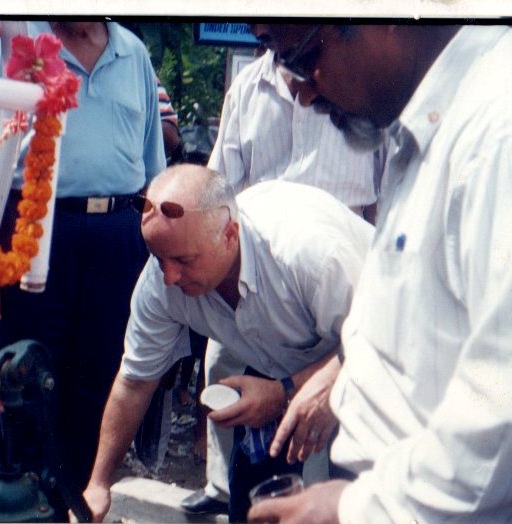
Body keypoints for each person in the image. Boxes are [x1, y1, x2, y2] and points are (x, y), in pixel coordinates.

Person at [248, 24, 512, 524]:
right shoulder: (428, 123)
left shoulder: (511, 127)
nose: (302, 93)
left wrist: (356, 509)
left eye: (299, 57)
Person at [81, 165, 374, 522]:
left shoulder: (308, 253)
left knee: (359, 502)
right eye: (160, 259)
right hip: (279, 362)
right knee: (254, 505)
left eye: (184, 261)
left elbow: (382, 339)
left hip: (376, 359)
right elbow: (135, 381)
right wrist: (98, 483)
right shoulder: (161, 280)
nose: (170, 277)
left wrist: (286, 393)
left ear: (230, 234)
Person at [182, 38, 380, 516]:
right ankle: (228, 489)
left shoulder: (363, 88)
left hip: (334, 265)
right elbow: (218, 183)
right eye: (266, 35)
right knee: (225, 376)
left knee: (340, 403)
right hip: (254, 259)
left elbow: (386, 189)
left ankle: (336, 497)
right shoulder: (249, 86)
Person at [0, 20, 166, 506]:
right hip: (34, 226)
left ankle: (80, 501)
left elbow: (152, 161)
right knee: (26, 368)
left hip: (116, 232)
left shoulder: (133, 54)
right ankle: (27, 500)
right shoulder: (12, 42)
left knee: (103, 371)